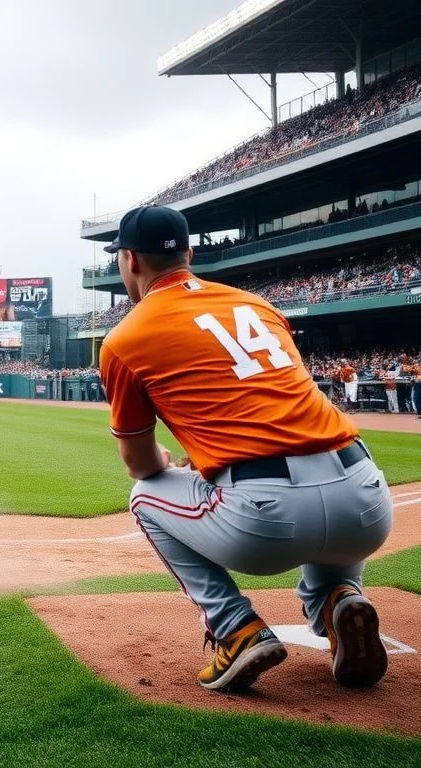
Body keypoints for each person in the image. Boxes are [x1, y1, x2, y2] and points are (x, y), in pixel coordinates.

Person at [98, 204, 393, 694]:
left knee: (145, 495)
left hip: (264, 522)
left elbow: (139, 463)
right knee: (329, 511)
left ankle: (235, 628)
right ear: (189, 253)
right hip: (364, 498)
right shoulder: (257, 305)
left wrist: (172, 462)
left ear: (128, 260)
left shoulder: (125, 338)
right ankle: (338, 598)